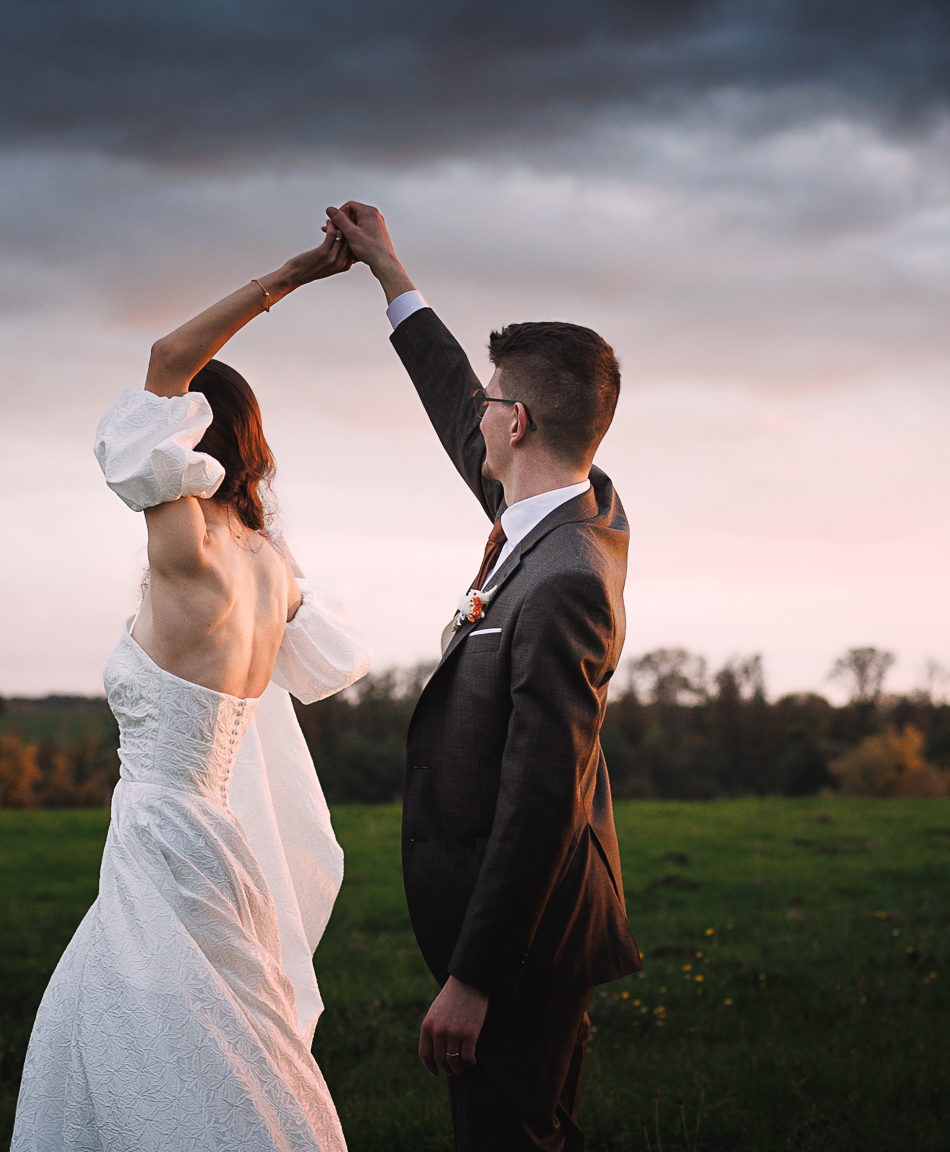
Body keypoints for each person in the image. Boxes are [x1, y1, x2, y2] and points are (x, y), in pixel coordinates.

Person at [10, 228, 371, 1152]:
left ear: (188, 433)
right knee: (213, 1033)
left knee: (164, 1040)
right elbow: (323, 666)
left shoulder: (191, 550)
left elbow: (166, 360)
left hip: (159, 832)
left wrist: (293, 275)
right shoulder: (275, 572)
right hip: (222, 837)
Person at [325, 201, 640, 1152]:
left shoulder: (564, 583)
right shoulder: (566, 506)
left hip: (527, 950)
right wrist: (392, 276)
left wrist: (476, 978)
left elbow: (544, 796)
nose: (481, 413)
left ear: (523, 422)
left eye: (494, 402)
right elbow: (455, 405)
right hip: (530, 935)